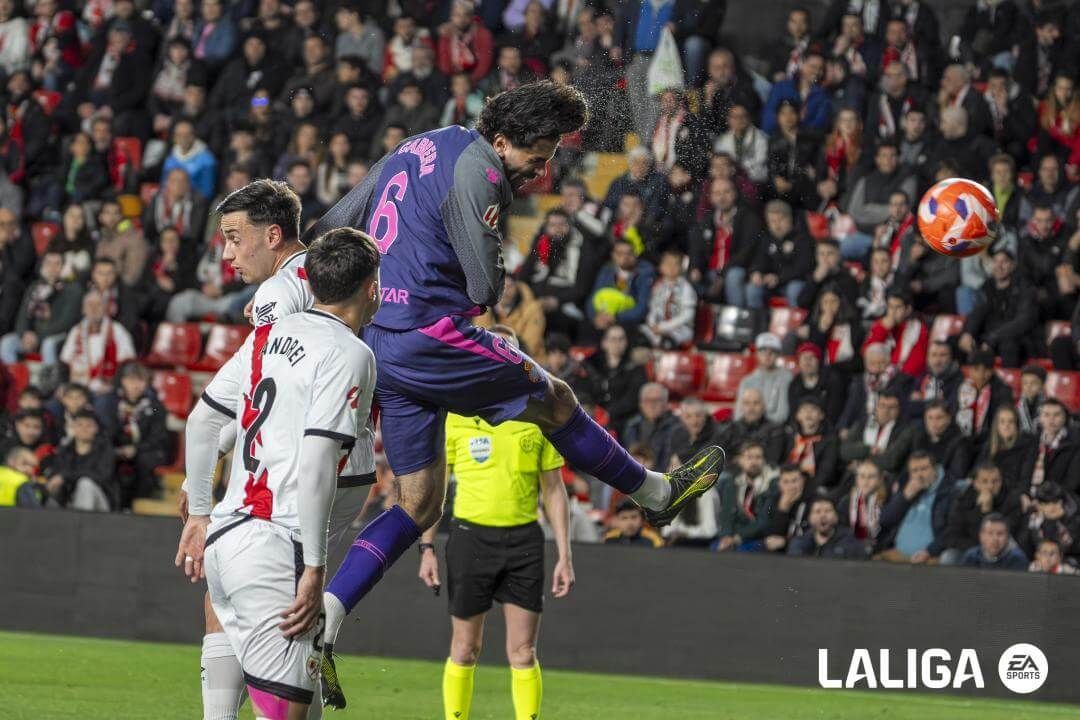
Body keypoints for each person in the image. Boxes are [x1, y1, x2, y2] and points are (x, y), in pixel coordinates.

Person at [302, 82, 724, 706]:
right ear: (501, 141)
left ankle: (327, 620)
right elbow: (484, 289)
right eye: (537, 155)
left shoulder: (416, 146)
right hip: (429, 335)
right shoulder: (481, 171)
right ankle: (655, 495)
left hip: (380, 341)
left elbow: (331, 227)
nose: (542, 171)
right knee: (557, 399)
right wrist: (490, 258)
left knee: (418, 504)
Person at [176, 182, 380, 719]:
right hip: (301, 498)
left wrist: (201, 495)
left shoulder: (277, 303)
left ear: (273, 236)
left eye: (234, 238)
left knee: (231, 607)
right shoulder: (321, 299)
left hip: (262, 501)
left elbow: (236, 406)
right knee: (288, 693)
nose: (228, 253)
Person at [416, 325, 571, 720]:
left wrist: (565, 555)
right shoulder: (458, 415)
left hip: (524, 542)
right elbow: (436, 488)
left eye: (510, 351)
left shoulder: (537, 416)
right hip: (471, 540)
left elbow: (554, 490)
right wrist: (427, 547)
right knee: (465, 648)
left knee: (523, 651)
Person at [959, 247, 1038, 368]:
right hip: (990, 337)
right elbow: (977, 313)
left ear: (1013, 265)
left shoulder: (1026, 288)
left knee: (1008, 346)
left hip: (1015, 337)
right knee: (957, 342)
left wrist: (993, 338)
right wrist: (968, 333)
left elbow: (1024, 321)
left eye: (1004, 262)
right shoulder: (988, 286)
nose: (999, 266)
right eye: (995, 261)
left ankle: (1007, 379)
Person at [876, 451, 957, 564]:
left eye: (924, 469)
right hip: (897, 555)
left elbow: (952, 530)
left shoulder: (949, 492)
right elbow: (885, 520)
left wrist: (929, 551)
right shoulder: (906, 488)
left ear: (935, 469)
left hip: (930, 559)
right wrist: (904, 497)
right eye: (914, 471)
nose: (919, 475)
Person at [940, 463, 1022, 565]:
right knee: (949, 557)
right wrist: (977, 550)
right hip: (970, 549)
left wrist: (986, 511)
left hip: (1002, 552)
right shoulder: (963, 500)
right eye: (985, 481)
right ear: (975, 483)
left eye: (995, 481)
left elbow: (1007, 534)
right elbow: (952, 536)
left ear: (1001, 481)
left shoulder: (1012, 500)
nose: (990, 486)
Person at [59, 290, 136, 395]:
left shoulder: (117, 330)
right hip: (78, 389)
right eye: (90, 305)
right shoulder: (76, 331)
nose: (93, 309)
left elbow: (127, 362)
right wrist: (64, 386)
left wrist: (113, 387)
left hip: (107, 388)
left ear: (105, 308)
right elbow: (64, 362)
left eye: (98, 305)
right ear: (83, 309)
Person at [47, 409, 116, 511]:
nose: (84, 429)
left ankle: (80, 521)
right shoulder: (65, 450)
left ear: (96, 428)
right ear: (73, 427)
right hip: (69, 501)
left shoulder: (105, 449)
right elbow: (56, 474)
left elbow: (102, 476)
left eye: (89, 426)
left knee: (85, 484)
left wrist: (66, 476)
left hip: (100, 504)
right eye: (80, 425)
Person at [716, 440, 778, 551]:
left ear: (764, 460)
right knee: (713, 549)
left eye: (758, 457)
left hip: (760, 537)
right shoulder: (733, 482)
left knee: (742, 551)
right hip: (734, 535)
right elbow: (726, 513)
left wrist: (736, 538)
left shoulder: (773, 483)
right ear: (740, 460)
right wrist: (726, 536)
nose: (754, 462)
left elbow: (764, 520)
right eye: (749, 457)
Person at [954, 350, 1014, 452]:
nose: (972, 373)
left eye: (977, 369)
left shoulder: (1002, 392)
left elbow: (998, 424)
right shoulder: (964, 387)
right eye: (971, 369)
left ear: (989, 372)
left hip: (988, 442)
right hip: (964, 440)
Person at [862, 288, 928, 378]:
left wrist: (890, 374)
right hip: (876, 375)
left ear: (908, 309)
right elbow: (867, 354)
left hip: (902, 379)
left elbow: (916, 364)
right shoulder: (880, 325)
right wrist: (883, 329)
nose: (892, 311)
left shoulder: (918, 329)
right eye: (890, 306)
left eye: (898, 307)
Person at [1021, 398, 1080, 494]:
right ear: (1040, 418)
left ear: (1064, 418)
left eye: (1056, 415)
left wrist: (1049, 499)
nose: (1051, 419)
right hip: (1029, 495)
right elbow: (1023, 476)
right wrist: (1023, 495)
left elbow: (1072, 482)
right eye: (1046, 415)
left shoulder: (1075, 444)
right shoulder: (1030, 442)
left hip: (1059, 497)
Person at [781, 397, 839, 494]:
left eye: (813, 409)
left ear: (821, 415)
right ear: (798, 415)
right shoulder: (790, 436)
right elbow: (783, 463)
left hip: (817, 487)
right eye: (804, 410)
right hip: (788, 483)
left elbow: (826, 470)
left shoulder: (830, 439)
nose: (808, 413)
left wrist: (806, 488)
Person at [640, 248, 696, 348]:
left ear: (681, 268)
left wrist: (664, 327)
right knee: (639, 333)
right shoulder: (658, 286)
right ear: (661, 267)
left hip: (679, 328)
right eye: (668, 263)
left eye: (675, 264)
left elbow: (687, 315)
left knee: (669, 341)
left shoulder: (686, 288)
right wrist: (652, 324)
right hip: (658, 326)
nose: (671, 267)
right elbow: (653, 308)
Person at [735, 333, 793, 425]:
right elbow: (738, 414)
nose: (767, 355)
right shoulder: (747, 381)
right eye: (763, 351)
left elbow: (782, 415)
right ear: (757, 354)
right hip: (748, 428)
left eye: (772, 352)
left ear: (778, 355)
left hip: (775, 428)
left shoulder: (786, 378)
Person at [787, 497, 868, 559]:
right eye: (817, 511)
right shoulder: (799, 543)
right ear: (810, 518)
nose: (823, 515)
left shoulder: (851, 541)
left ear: (836, 517)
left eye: (828, 511)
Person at [787, 342, 845, 427]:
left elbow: (834, 411)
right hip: (801, 429)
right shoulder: (794, 385)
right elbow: (793, 413)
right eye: (804, 358)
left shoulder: (831, 381)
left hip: (827, 428)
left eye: (812, 357)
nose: (808, 361)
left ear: (818, 361)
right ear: (799, 362)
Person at [837, 460, 888, 551]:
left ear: (880, 480)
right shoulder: (846, 501)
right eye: (862, 476)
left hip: (880, 547)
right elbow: (840, 528)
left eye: (871, 477)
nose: (866, 481)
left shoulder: (887, 500)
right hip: (851, 547)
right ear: (856, 479)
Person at [959, 514, 1029, 570]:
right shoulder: (971, 557)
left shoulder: (1017, 559)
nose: (995, 539)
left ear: (1007, 537)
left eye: (1000, 534)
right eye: (990, 533)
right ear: (981, 536)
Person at [1017, 364, 1047, 436]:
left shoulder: (1048, 407)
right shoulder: (1017, 406)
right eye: (1025, 383)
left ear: (1043, 385)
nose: (1028, 387)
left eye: (1034, 383)